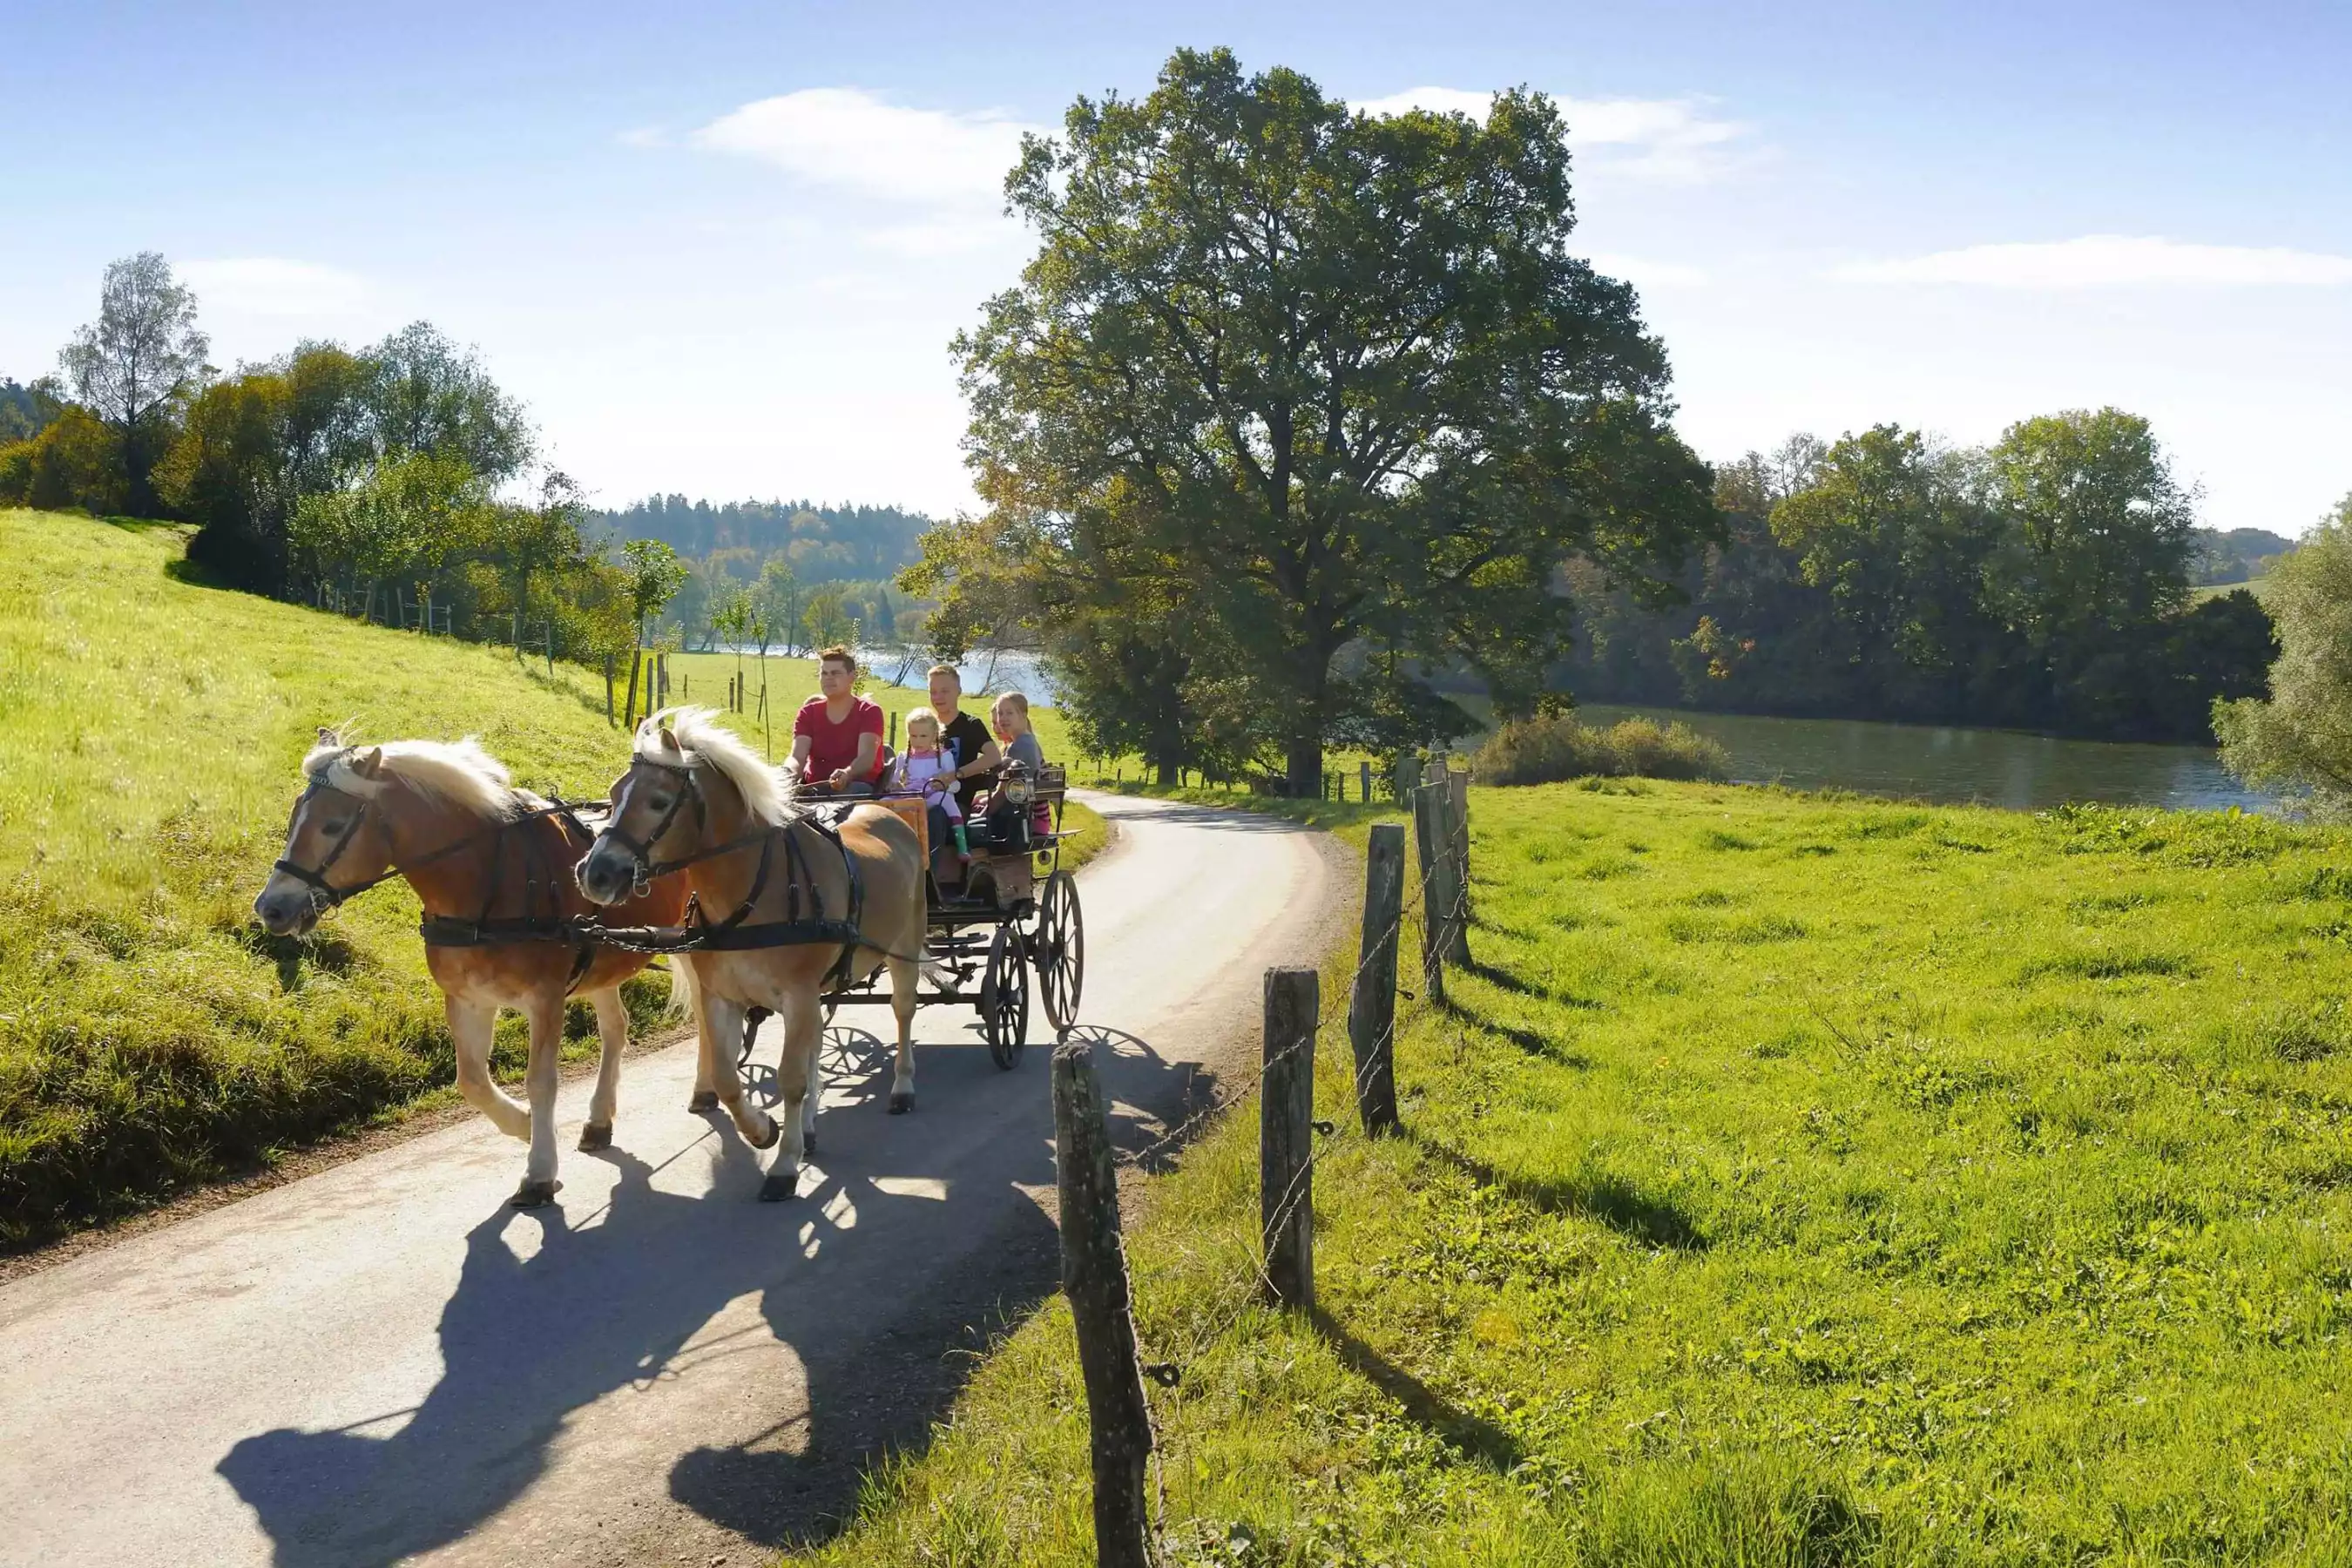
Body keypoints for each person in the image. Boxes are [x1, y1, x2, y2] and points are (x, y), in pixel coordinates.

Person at [790, 646, 885, 794]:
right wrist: (786, 773)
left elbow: (866, 757)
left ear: (851, 677)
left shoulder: (869, 711)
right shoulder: (808, 713)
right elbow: (797, 756)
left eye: (836, 673)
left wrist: (847, 773)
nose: (828, 678)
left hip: (855, 786)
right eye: (824, 673)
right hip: (814, 787)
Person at [888, 706, 970, 860]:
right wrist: (895, 785)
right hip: (910, 796)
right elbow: (894, 782)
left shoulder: (944, 756)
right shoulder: (904, 757)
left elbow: (955, 784)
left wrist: (943, 785)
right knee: (884, 802)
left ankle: (962, 846)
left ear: (934, 735)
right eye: (914, 736)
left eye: (923, 736)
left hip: (932, 796)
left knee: (948, 800)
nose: (918, 741)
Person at [926, 664, 1000, 818]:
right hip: (925, 797)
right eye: (933, 692)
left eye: (945, 691)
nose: (938, 697)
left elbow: (993, 757)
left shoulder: (971, 725)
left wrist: (956, 774)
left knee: (935, 816)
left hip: (956, 804)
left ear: (958, 691)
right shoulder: (926, 726)